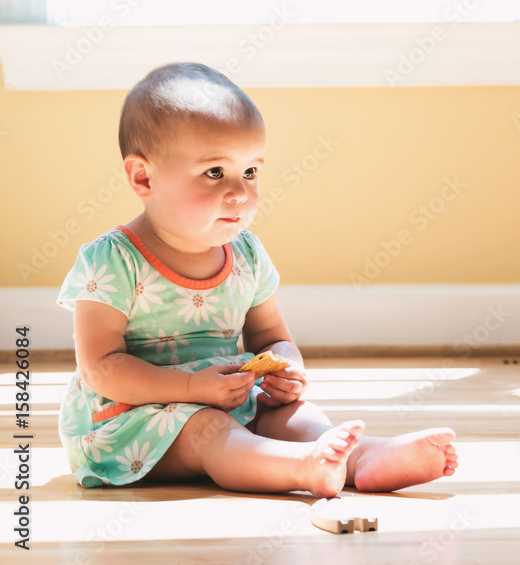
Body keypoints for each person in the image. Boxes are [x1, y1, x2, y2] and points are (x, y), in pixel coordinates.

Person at [56, 63, 458, 497]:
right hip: (130, 422)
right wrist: (191, 388)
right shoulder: (113, 260)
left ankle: (365, 458)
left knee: (295, 416)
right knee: (207, 428)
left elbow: (270, 336)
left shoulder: (246, 254)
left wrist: (287, 367)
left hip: (229, 397)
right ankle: (302, 468)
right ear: (143, 177)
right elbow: (101, 368)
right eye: (215, 172)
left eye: (250, 172)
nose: (240, 192)